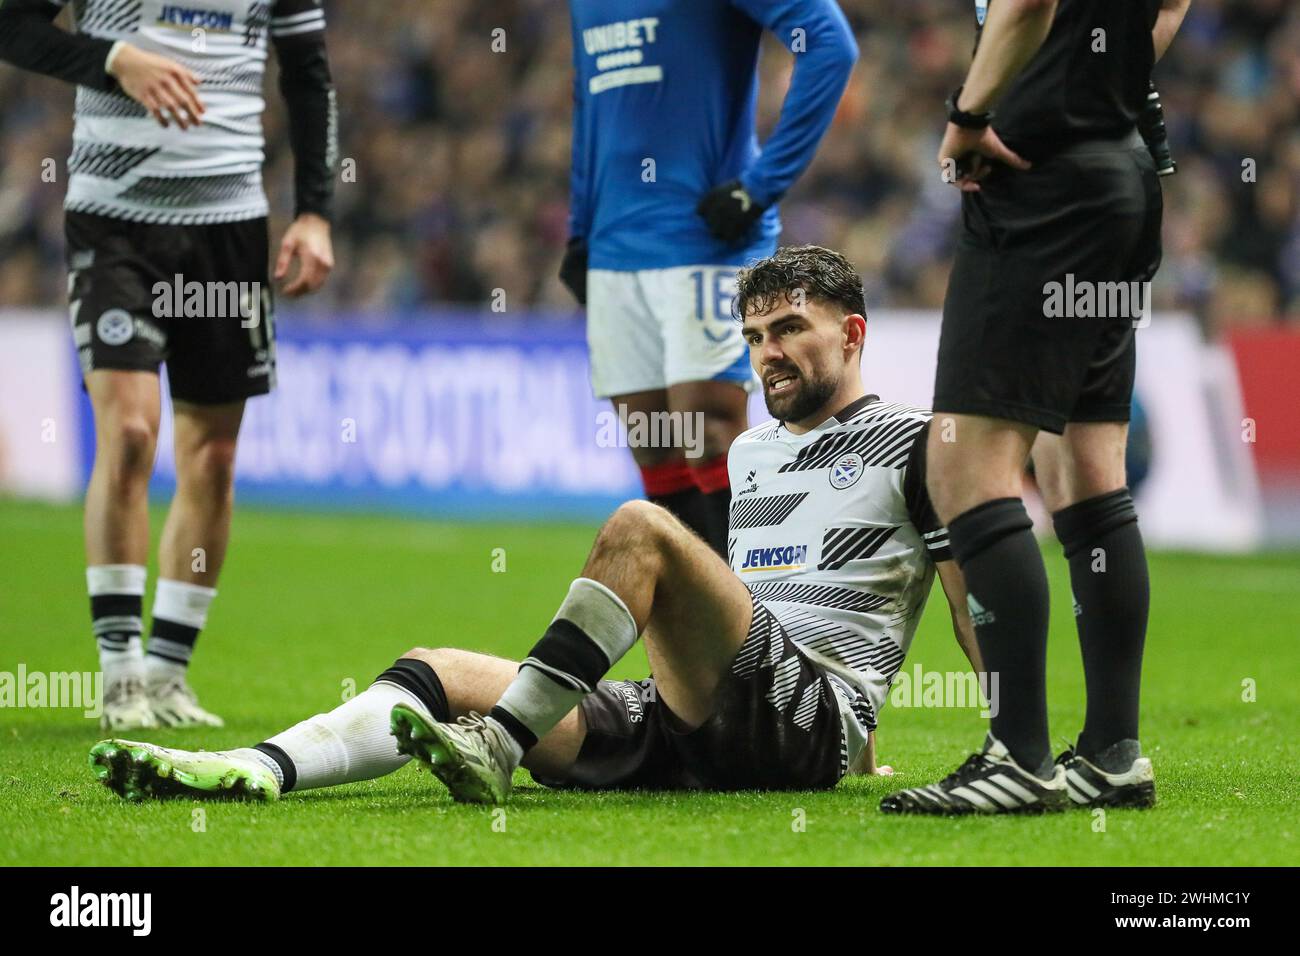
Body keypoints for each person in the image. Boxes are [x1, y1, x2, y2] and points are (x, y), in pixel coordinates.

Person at [88, 245, 980, 805]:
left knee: (642, 525)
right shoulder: (750, 454)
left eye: (790, 328)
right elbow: (775, 611)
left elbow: (956, 599)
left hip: (805, 727)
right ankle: (256, 769)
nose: (768, 353)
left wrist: (997, 742)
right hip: (709, 720)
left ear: (854, 333)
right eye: (754, 336)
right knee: (438, 669)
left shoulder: (916, 441)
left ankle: (498, 749)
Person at [882, 0, 1191, 815]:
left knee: (966, 471)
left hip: (1038, 181)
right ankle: (1111, 752)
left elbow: (1026, 3)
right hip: (1123, 175)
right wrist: (1108, 79)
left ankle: (1017, 755)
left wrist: (968, 116)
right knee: (1085, 470)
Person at [0, 0, 338, 730]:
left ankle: (168, 673)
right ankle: (120, 671)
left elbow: (309, 76)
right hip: (115, 223)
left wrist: (314, 211)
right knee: (129, 433)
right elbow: (10, 24)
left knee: (213, 457)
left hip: (228, 228)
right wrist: (112, 60)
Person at [559, 0, 858, 559]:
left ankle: (755, 623)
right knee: (654, 443)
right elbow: (589, 105)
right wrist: (581, 228)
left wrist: (761, 183)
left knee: (706, 431)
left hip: (703, 235)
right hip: (616, 239)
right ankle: (695, 632)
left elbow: (829, 42)